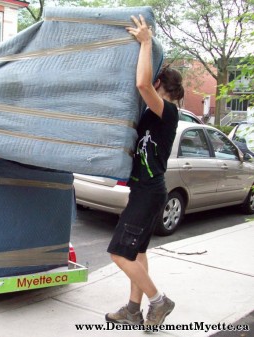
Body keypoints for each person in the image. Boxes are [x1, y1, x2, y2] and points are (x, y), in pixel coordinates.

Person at [105, 15, 185, 327]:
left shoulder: (167, 112)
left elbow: (140, 82)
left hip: (149, 190)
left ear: (160, 85)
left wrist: (145, 41)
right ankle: (133, 310)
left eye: (155, 81)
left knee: (119, 254)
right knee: (137, 253)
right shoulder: (154, 113)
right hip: (147, 190)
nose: (149, 84)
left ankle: (159, 301)